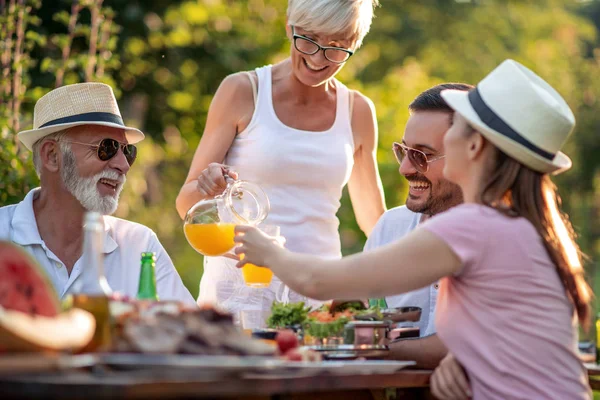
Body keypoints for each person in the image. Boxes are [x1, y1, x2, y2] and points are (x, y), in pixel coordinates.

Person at [234, 60, 592, 399]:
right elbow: (507, 332)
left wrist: (268, 251)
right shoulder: (519, 225)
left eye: (459, 127)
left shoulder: (475, 227)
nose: (407, 167)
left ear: (473, 144)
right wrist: (460, 357)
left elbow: (319, 281)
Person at [176, 0, 386, 318]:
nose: (318, 58)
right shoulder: (243, 91)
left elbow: (375, 221)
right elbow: (185, 204)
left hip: (319, 294)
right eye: (309, 40)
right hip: (241, 295)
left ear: (354, 45)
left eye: (336, 48)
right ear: (290, 27)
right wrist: (209, 186)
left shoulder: (357, 111)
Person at [0, 83, 195, 305]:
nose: (124, 165)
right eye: (107, 147)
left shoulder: (140, 245)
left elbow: (193, 333)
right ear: (52, 155)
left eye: (127, 151)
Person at [366, 83, 472, 368]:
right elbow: (361, 312)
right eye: (403, 151)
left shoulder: (500, 235)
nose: (405, 169)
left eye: (422, 155)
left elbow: (461, 347)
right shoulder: (391, 226)